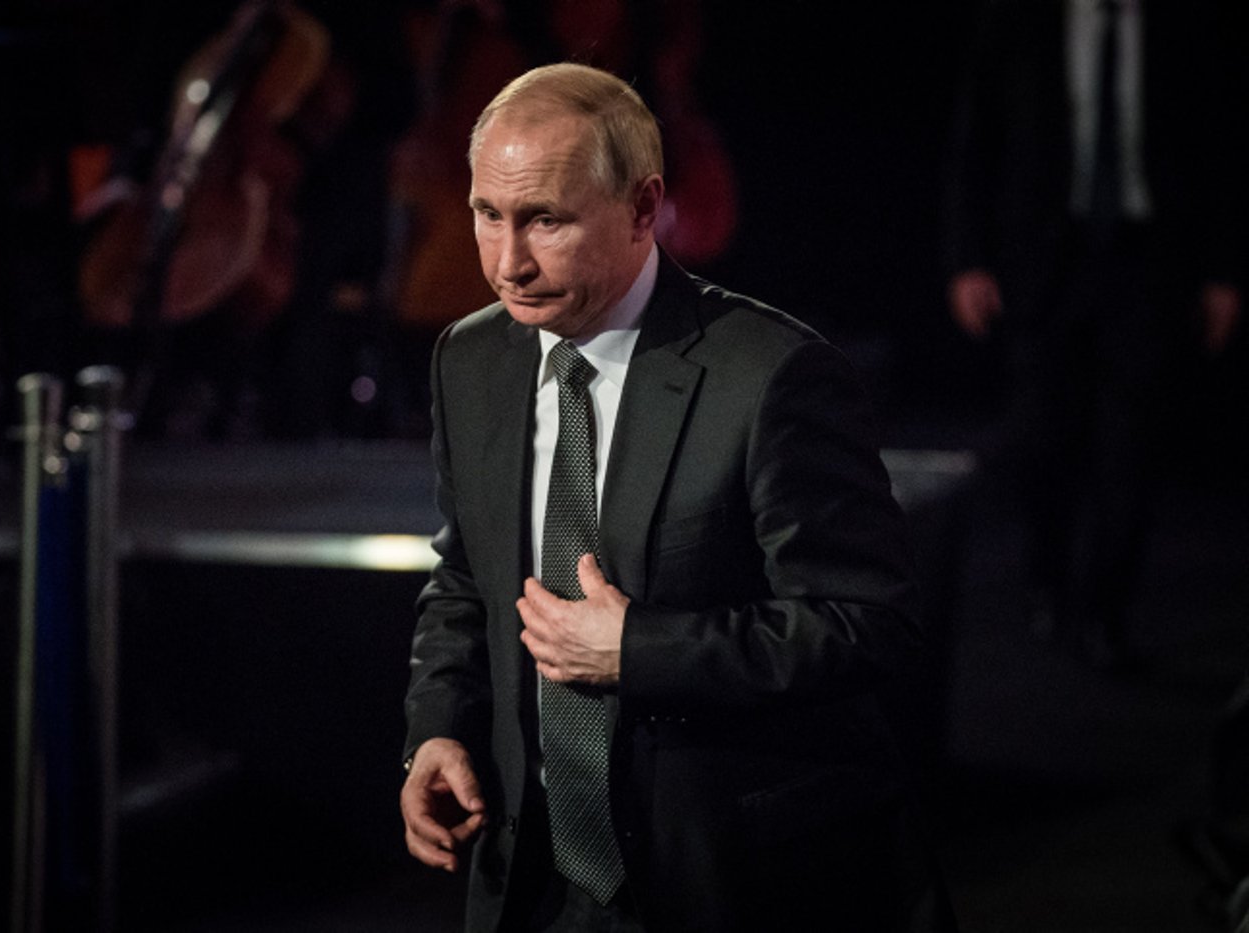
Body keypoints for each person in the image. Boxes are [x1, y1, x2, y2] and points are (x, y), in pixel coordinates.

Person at [400, 62, 955, 932]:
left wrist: (639, 648)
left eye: (545, 219)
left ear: (643, 207)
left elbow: (867, 623)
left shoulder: (772, 377)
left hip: (728, 880)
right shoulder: (469, 360)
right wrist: (438, 730)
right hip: (533, 882)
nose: (508, 262)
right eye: (487, 214)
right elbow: (467, 579)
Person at [941, 0, 1244, 669]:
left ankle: (1107, 609)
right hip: (1044, 262)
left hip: (1148, 263)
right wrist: (968, 259)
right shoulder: (1017, 21)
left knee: (1132, 443)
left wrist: (1223, 271)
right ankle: (1048, 581)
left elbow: (1215, 146)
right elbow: (977, 140)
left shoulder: (1184, 27)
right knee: (1043, 436)